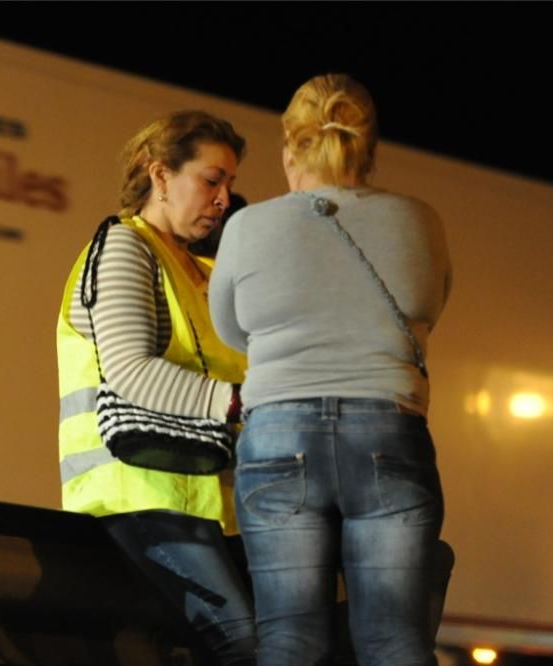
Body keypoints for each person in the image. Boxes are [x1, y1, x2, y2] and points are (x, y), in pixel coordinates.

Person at [209, 73, 453, 665]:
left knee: (291, 642)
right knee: (396, 641)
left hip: (278, 439)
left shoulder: (247, 227)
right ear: (369, 151)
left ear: (289, 151)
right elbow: (429, 310)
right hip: (388, 433)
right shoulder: (420, 220)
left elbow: (231, 330)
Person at [55, 110, 258, 665]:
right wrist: (242, 402)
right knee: (244, 642)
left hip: (205, 499)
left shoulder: (204, 270)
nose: (223, 199)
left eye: (230, 185)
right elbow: (131, 370)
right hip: (137, 493)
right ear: (161, 175)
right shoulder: (125, 246)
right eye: (211, 180)